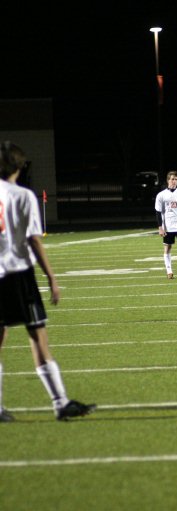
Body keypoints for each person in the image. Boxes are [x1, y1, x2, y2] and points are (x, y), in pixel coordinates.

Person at [0, 142, 95, 422]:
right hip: (18, 274)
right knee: (38, 337)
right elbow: (33, 239)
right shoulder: (22, 195)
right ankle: (60, 403)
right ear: (20, 166)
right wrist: (52, 277)